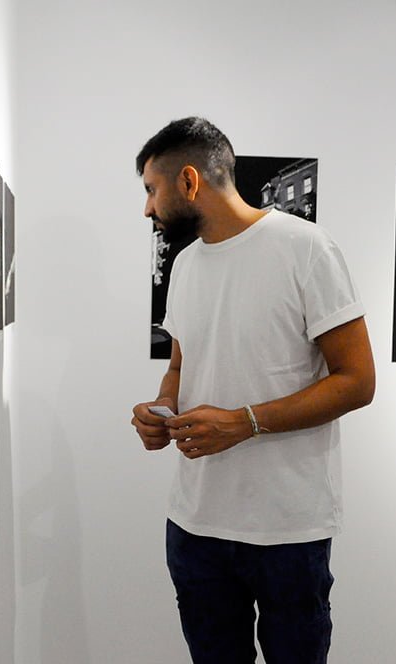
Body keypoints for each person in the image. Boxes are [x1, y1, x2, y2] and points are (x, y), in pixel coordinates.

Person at [130, 117, 375, 664]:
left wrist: (244, 422)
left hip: (288, 530)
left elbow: (358, 381)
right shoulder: (185, 265)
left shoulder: (306, 249)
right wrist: (162, 408)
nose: (147, 208)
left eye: (151, 190)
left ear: (189, 181)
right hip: (195, 525)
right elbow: (181, 365)